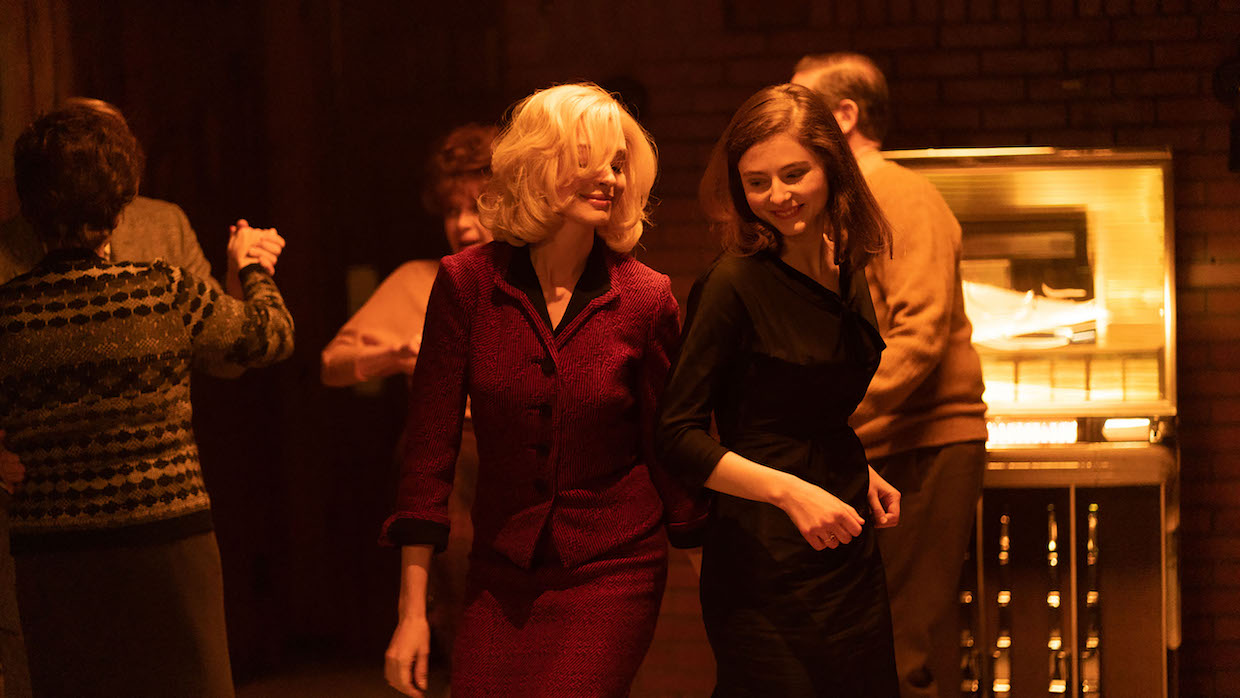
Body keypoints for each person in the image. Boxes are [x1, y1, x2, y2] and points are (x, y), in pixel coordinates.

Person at [381, 82, 706, 698]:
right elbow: (428, 456)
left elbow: (670, 452)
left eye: (619, 163)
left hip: (612, 569)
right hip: (497, 575)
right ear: (535, 163)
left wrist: (714, 579)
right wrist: (412, 615)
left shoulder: (645, 296)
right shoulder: (467, 284)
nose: (610, 177)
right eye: (588, 160)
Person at [0, 105, 294, 697]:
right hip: (166, 543)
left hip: (50, 553)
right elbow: (272, 335)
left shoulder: (8, 313)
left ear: (29, 205)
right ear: (120, 202)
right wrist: (252, 266)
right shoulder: (162, 289)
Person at [656, 83, 902, 697]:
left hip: (846, 541)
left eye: (795, 174)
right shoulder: (733, 282)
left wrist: (853, 465)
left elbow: (808, 398)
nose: (778, 196)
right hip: (765, 555)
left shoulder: (845, 260)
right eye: (757, 182)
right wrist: (793, 491)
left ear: (832, 167)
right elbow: (676, 436)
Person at [792, 53, 989, 698]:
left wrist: (822, 418)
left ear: (844, 115)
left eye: (803, 102)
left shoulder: (898, 194)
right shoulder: (848, 201)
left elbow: (920, 333)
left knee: (906, 643)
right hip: (887, 444)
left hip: (923, 443)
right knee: (870, 642)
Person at [320, 123, 496, 669]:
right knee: (467, 617)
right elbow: (332, 365)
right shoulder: (423, 280)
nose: (463, 223)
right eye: (451, 210)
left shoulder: (540, 279)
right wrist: (398, 352)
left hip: (528, 458)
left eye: (479, 205)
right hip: (452, 466)